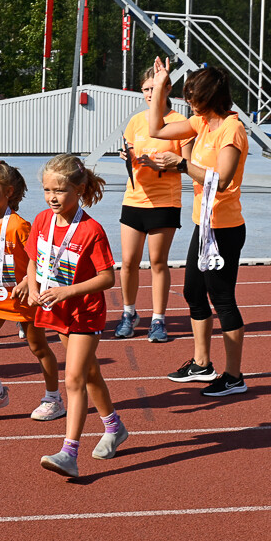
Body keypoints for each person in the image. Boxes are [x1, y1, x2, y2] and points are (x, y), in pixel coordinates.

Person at [146, 58, 249, 397]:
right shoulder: (201, 122)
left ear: (211, 97)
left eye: (194, 97)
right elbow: (156, 129)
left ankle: (234, 376)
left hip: (225, 227)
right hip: (203, 225)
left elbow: (222, 180)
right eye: (188, 96)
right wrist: (160, 86)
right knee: (193, 292)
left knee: (223, 298)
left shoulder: (231, 129)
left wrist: (181, 165)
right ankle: (202, 364)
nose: (189, 102)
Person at [28, 155, 128, 479]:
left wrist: (67, 292)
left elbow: (107, 278)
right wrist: (31, 286)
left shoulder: (91, 230)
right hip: (58, 311)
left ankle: (69, 453)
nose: (52, 197)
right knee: (90, 373)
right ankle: (114, 427)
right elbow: (33, 260)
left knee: (73, 378)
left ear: (79, 190)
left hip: (85, 312)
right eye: (47, 190)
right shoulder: (42, 220)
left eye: (59, 191)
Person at [0, 161, 65, 422]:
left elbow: (41, 258)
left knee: (38, 348)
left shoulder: (20, 226)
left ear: (8, 192)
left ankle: (53, 398)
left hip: (23, 299)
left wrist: (28, 282)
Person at [115, 67, 193, 343]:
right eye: (146, 89)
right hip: (134, 199)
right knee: (128, 262)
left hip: (164, 202)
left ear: (167, 88)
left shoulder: (180, 122)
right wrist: (127, 156)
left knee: (158, 262)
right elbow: (132, 154)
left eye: (155, 88)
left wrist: (164, 165)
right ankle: (129, 314)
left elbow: (188, 165)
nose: (150, 93)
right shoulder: (136, 121)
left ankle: (158, 319)